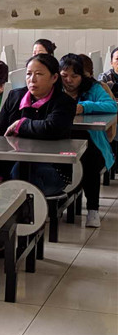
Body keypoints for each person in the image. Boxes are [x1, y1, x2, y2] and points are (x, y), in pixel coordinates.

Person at [0, 54, 77, 196]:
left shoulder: (64, 102)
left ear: (54, 77)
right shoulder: (15, 97)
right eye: (29, 74)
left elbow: (52, 128)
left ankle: (27, 209)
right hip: (8, 166)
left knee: (21, 174)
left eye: (39, 74)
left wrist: (20, 125)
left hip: (52, 168)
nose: (32, 79)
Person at [60, 53, 116, 227]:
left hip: (92, 142)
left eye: (74, 76)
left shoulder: (93, 88)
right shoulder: (54, 88)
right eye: (64, 75)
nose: (68, 80)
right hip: (61, 140)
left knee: (89, 158)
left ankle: (93, 209)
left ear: (82, 76)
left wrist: (84, 107)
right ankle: (57, 201)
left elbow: (112, 106)